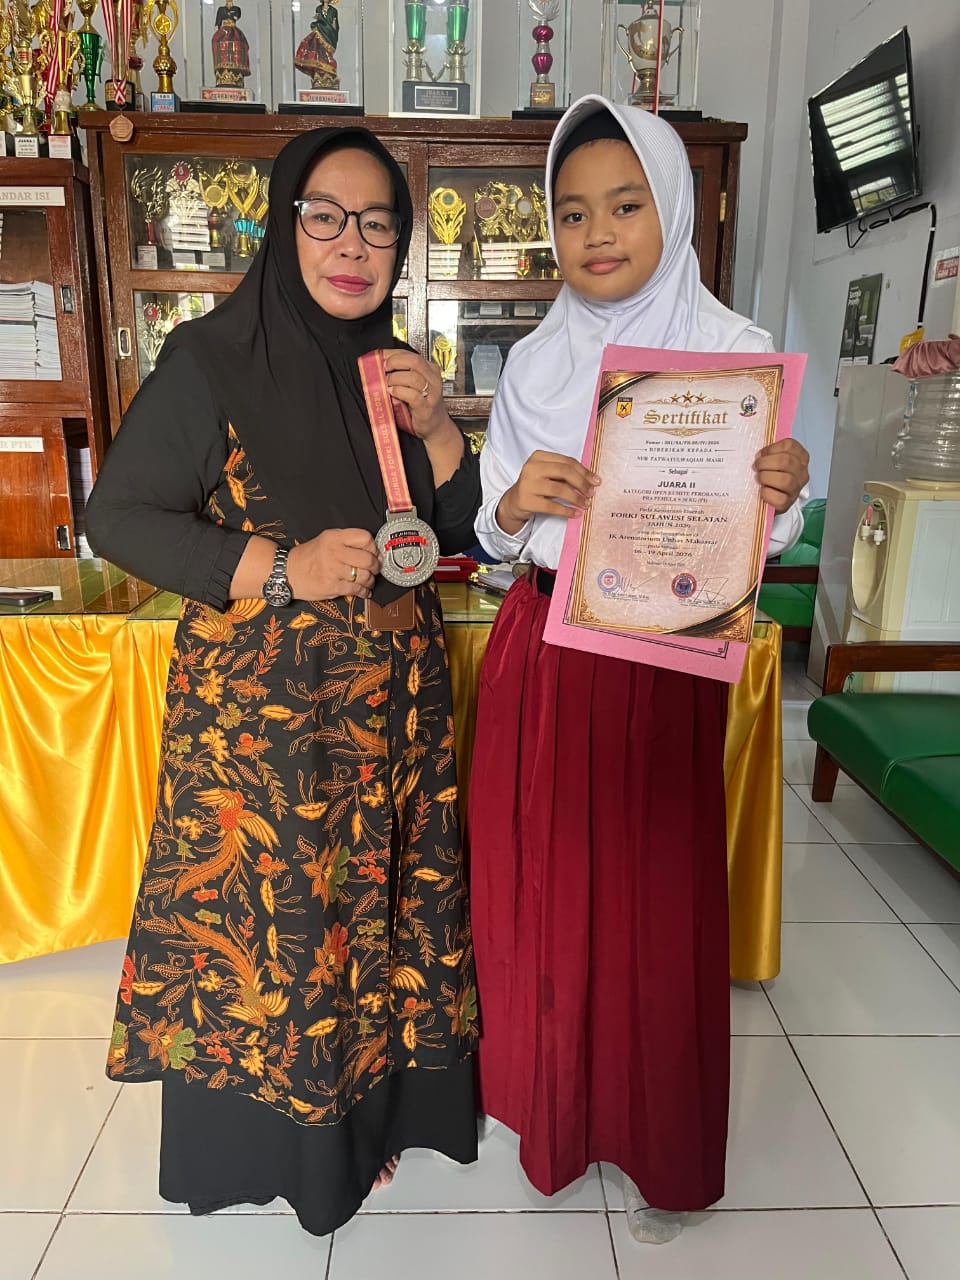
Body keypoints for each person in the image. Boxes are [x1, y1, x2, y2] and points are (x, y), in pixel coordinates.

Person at [86, 126, 481, 1236]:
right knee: (280, 925)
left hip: (392, 709)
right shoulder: (212, 360)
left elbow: (454, 530)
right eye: (325, 217)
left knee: (379, 913)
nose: (353, 245)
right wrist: (277, 568)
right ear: (282, 224)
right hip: (267, 729)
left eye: (379, 224)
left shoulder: (391, 369)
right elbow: (119, 516)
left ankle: (372, 1121)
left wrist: (441, 426)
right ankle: (276, 1148)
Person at [469, 96, 810, 1245]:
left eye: (624, 205)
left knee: (655, 902)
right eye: (571, 213)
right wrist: (514, 504)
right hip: (544, 656)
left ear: (672, 206)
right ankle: (555, 1117)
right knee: (549, 894)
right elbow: (494, 531)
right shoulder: (533, 359)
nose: (597, 232)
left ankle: (660, 1142)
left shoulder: (731, 349)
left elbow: (760, 533)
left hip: (659, 661)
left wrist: (780, 487)